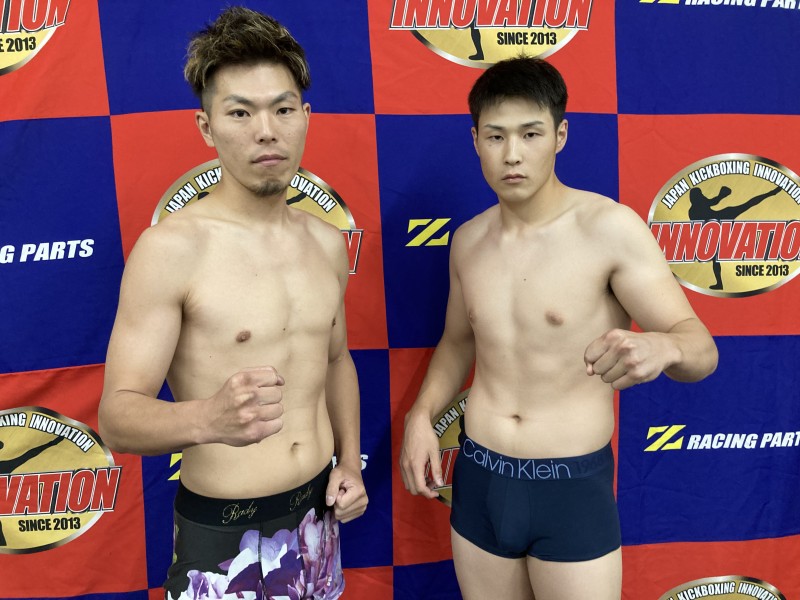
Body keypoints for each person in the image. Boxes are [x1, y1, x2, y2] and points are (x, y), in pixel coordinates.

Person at [399, 57, 718, 600]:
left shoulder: (609, 229)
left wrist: (664, 346)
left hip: (570, 488)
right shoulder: (468, 241)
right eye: (496, 136)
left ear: (560, 135)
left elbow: (701, 349)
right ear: (475, 140)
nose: (512, 154)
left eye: (531, 134)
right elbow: (458, 342)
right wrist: (421, 415)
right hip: (479, 476)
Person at [98, 7, 367, 599]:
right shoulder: (171, 249)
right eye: (240, 112)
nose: (266, 130)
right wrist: (206, 419)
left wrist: (349, 460)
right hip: (225, 534)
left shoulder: (327, 242)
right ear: (206, 126)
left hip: (319, 521)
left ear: (305, 118)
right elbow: (116, 418)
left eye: (283, 109)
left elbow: (335, 360)